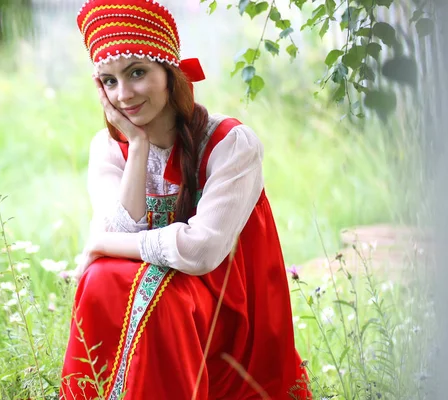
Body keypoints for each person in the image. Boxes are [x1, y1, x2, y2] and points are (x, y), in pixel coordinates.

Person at [59, 1, 311, 399]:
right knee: (100, 278)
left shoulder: (230, 144)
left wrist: (102, 243)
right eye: (109, 81)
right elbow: (121, 232)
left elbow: (200, 251)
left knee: (155, 295)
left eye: (136, 73)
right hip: (163, 303)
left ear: (170, 73)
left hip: (226, 316)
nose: (123, 95)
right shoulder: (109, 148)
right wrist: (138, 145)